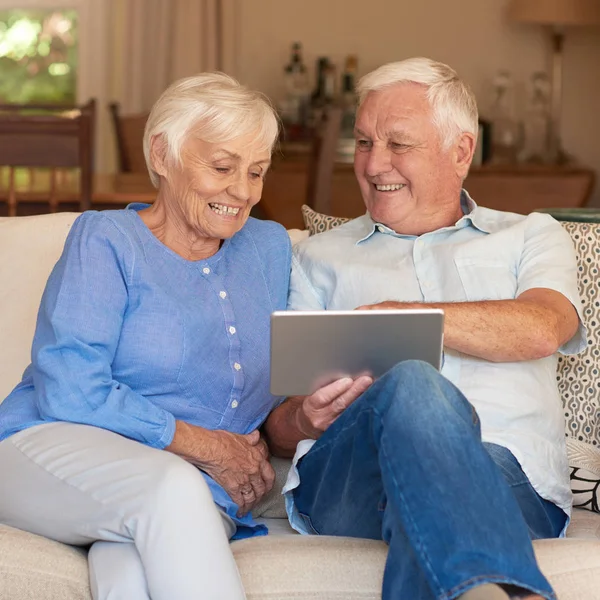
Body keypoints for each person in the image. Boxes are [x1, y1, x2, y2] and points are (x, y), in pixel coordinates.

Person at [263, 57, 586, 600]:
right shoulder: (317, 257)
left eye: (397, 144)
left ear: (460, 151)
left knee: (423, 410)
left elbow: (542, 328)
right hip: (351, 481)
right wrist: (302, 416)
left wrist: (405, 320)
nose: (372, 163)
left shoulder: (531, 235)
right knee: (413, 382)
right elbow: (277, 428)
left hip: (507, 478)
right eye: (364, 142)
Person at [0, 73, 290, 600]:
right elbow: (70, 389)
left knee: (130, 575)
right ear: (162, 154)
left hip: (193, 489)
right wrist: (206, 446)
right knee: (171, 487)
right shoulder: (107, 239)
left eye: (257, 171)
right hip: (46, 450)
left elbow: (288, 375)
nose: (243, 191)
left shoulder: (271, 249)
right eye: (222, 167)